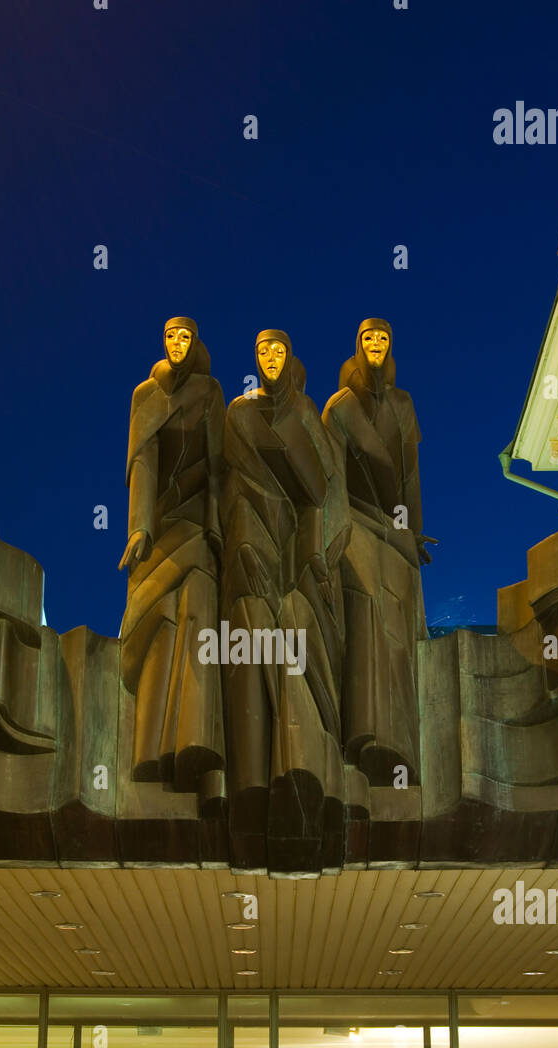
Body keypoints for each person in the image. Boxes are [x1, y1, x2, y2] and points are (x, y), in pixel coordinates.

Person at [220, 329, 346, 864]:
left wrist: (316, 553)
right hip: (254, 534)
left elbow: (325, 489)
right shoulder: (240, 414)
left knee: (299, 622)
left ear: (289, 358)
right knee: (254, 622)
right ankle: (265, 767)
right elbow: (235, 482)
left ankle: (312, 750)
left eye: (277, 352)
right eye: (261, 353)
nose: (270, 360)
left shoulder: (307, 414)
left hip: (302, 545)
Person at [119, 317, 225, 792]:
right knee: (156, 623)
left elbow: (223, 464)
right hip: (159, 528)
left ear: (195, 343)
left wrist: (217, 527)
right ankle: (150, 753)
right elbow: (142, 461)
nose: (177, 345)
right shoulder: (146, 394)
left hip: (199, 523)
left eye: (185, 337)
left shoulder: (210, 391)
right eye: (170, 337)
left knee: (197, 614)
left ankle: (195, 744)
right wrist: (139, 528)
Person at [323, 318, 430, 784]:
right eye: (368, 339)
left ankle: (402, 738)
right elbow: (329, 477)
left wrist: (414, 531)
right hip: (354, 523)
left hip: (395, 531)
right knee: (368, 602)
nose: (376, 345)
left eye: (383, 339)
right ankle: (364, 732)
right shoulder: (339, 408)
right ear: (358, 346)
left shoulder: (404, 404)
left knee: (402, 610)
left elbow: (409, 475)